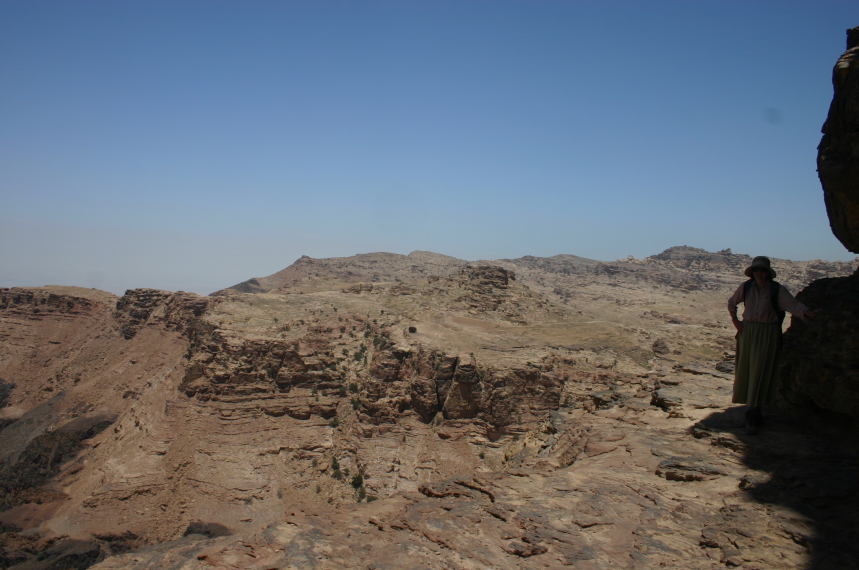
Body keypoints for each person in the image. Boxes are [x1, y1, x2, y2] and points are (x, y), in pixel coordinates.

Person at [727, 256, 821, 434]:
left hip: (768, 332)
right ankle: (753, 410)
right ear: (752, 272)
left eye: (762, 270)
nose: (759, 273)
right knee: (747, 369)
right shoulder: (746, 287)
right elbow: (732, 303)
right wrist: (735, 321)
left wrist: (808, 312)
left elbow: (793, 305)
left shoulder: (777, 289)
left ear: (768, 273)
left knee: (761, 369)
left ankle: (752, 411)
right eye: (757, 270)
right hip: (748, 332)